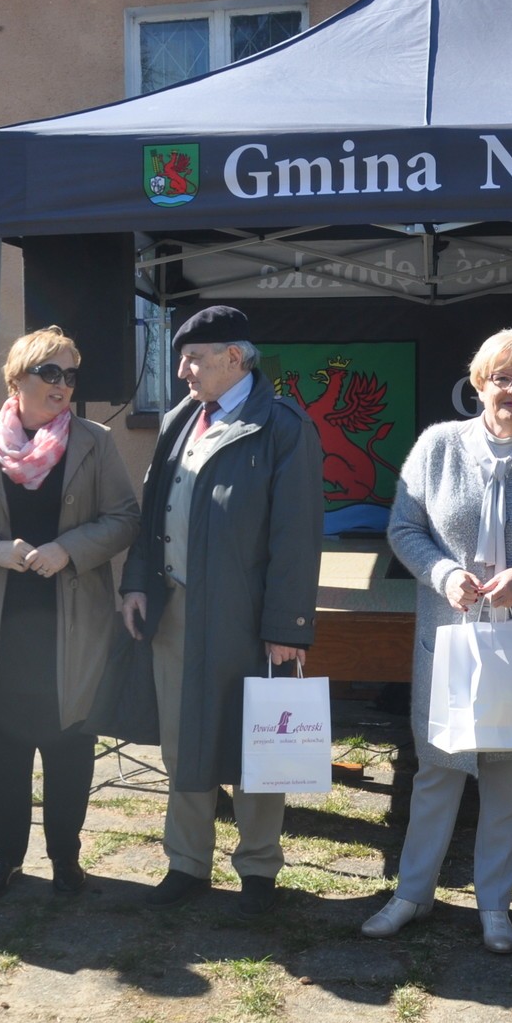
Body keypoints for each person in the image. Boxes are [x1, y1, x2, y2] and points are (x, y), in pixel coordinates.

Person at [365, 328, 512, 953]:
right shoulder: (437, 447)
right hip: (449, 643)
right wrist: (443, 574)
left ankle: (495, 906)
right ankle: (412, 894)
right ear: (479, 383)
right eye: (502, 377)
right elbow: (404, 529)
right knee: (437, 772)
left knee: (510, 781)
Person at [118, 305, 323, 916]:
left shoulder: (282, 424)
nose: (183, 371)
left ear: (234, 358)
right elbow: (153, 513)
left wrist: (287, 626)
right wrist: (136, 583)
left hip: (249, 617)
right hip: (176, 609)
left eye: (194, 359)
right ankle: (187, 863)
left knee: (255, 740)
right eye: (181, 359)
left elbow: (297, 535)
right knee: (183, 740)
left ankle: (258, 869)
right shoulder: (180, 418)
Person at [0, 327, 140, 896]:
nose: (62, 385)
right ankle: (5, 857)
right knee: (3, 745)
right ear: (17, 378)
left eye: (70, 375)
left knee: (70, 744)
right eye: (50, 373)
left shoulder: (94, 441)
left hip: (71, 623)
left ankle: (66, 859)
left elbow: (124, 517)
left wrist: (69, 548)